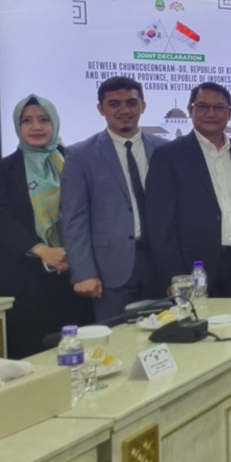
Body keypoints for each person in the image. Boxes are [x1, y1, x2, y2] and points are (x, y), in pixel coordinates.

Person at [61, 76, 167, 323]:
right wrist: (83, 272)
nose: (124, 110)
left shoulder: (164, 150)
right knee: (117, 339)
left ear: (143, 106)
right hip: (110, 270)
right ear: (101, 108)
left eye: (131, 102)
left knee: (166, 336)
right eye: (114, 104)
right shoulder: (80, 155)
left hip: (160, 266)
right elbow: (74, 219)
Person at [0, 95, 93, 357]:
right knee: (32, 358)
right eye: (27, 121)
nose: (36, 127)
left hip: (76, 276)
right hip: (26, 282)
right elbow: (1, 219)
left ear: (55, 123)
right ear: (18, 126)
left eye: (44, 119)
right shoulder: (2, 170)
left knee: (79, 354)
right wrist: (43, 250)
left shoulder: (75, 161)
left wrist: (76, 255)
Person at [146, 81, 231, 297]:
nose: (211, 113)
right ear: (190, 110)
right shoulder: (168, 156)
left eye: (219, 107)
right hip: (193, 268)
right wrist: (173, 276)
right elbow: (160, 225)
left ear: (230, 113)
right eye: (203, 107)